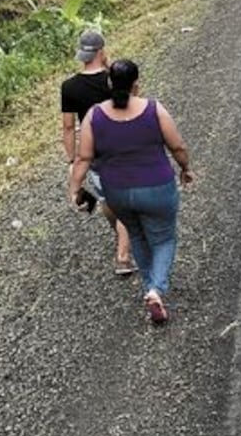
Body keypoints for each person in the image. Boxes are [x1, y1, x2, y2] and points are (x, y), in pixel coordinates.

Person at [67, 60, 194, 324]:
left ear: (110, 83)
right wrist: (185, 168)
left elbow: (83, 158)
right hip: (157, 187)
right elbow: (177, 146)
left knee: (137, 235)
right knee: (163, 239)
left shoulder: (94, 115)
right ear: (137, 83)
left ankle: (150, 288)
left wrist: (75, 188)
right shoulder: (153, 109)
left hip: (118, 192)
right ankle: (156, 289)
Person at [60, 30, 135, 276]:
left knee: (106, 199)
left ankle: (122, 235)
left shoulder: (69, 87)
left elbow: (69, 127)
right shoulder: (112, 80)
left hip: (91, 152)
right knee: (124, 202)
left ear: (83, 54)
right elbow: (134, 100)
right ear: (101, 52)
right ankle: (123, 257)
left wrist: (72, 161)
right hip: (119, 146)